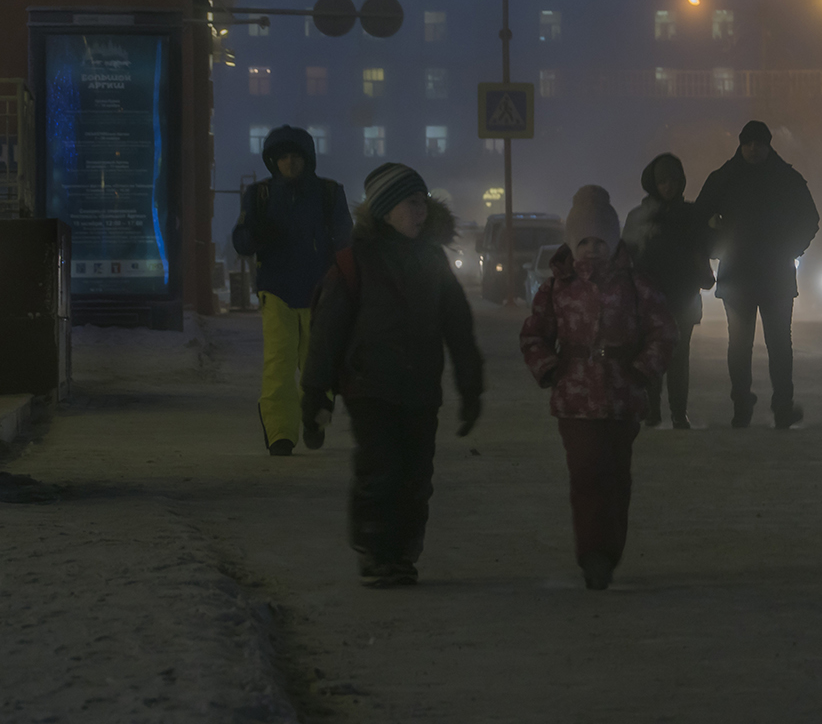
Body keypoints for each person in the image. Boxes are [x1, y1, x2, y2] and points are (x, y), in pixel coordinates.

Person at [300, 163, 484, 588]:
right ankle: (375, 551)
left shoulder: (434, 261)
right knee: (380, 471)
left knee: (416, 477)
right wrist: (316, 396)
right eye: (411, 203)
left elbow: (458, 326)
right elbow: (327, 334)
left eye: (423, 202)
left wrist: (471, 386)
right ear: (385, 211)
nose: (421, 211)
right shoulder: (353, 264)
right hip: (371, 389)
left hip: (420, 391)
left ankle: (403, 552)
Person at [520, 185, 678, 590]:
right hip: (574, 400)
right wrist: (551, 370)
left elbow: (662, 331)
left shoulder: (635, 283)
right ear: (572, 244)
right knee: (586, 472)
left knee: (615, 476)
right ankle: (592, 555)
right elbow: (534, 335)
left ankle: (610, 550)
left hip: (622, 396)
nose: (592, 250)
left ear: (614, 241)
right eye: (584, 242)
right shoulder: (556, 287)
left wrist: (643, 370)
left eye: (600, 241)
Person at [231, 125, 353, 456]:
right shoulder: (260, 195)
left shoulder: (329, 193)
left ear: (308, 159)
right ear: (273, 161)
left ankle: (314, 419)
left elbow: (346, 243)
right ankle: (281, 433)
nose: (289, 163)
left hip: (322, 294)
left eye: (295, 156)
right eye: (282, 157)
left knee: (318, 366)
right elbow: (241, 240)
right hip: (277, 291)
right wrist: (257, 234)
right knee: (279, 365)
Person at [694, 121, 820, 429]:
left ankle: (751, 406)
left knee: (751, 344)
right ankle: (776, 406)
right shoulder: (784, 177)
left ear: (766, 145)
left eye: (758, 143)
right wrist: (792, 249)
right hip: (767, 272)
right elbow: (809, 218)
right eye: (749, 143)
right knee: (766, 344)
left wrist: (716, 246)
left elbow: (698, 218)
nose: (753, 148)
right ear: (743, 144)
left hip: (746, 272)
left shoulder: (725, 177)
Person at [622, 153, 714, 429]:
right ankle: (652, 411)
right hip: (649, 297)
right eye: (663, 181)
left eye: (673, 181)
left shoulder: (690, 214)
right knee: (651, 355)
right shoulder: (639, 217)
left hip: (682, 296)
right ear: (654, 183)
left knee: (678, 356)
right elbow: (627, 254)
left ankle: (677, 412)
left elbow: (702, 249)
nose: (669, 187)